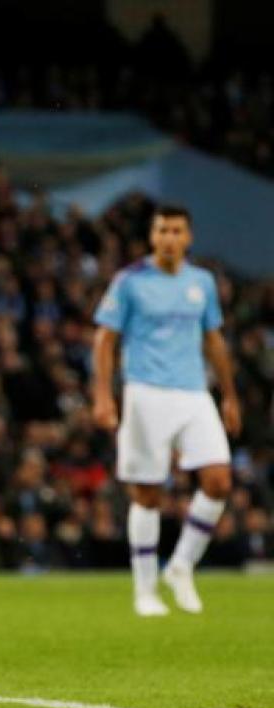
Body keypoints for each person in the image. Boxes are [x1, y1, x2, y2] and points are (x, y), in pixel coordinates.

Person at [91, 204, 240, 617]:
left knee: (219, 480)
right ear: (152, 236)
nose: (170, 238)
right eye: (163, 231)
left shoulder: (202, 282)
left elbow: (213, 339)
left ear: (188, 237)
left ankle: (180, 566)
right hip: (145, 391)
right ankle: (145, 590)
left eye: (177, 231)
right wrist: (103, 396)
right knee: (148, 493)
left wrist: (229, 395)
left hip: (194, 392)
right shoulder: (130, 281)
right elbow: (105, 340)